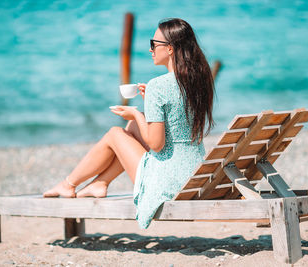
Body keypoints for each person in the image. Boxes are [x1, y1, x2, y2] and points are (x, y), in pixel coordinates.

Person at [43, 18, 215, 229]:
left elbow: (156, 144)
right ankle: (100, 183)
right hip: (193, 172)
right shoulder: (199, 81)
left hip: (168, 180)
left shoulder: (158, 86)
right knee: (132, 130)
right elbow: (179, 119)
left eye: (154, 44)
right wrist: (147, 107)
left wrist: (137, 114)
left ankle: (68, 184)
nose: (150, 49)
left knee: (116, 133)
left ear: (170, 49)